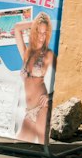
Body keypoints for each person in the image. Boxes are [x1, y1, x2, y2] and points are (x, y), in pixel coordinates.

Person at [14, 12, 54, 143]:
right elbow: (17, 28)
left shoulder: (48, 55)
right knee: (21, 147)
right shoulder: (26, 54)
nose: (42, 37)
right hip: (29, 111)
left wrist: (51, 95)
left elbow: (65, 74)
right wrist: (35, 23)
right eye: (39, 32)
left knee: (43, 145)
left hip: (42, 107)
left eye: (45, 33)